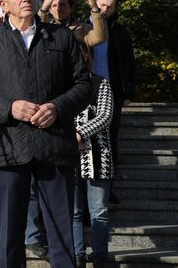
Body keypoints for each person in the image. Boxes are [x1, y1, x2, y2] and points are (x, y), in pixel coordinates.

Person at [0, 0, 91, 268]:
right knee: (10, 234)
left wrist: (57, 107)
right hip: (8, 148)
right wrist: (9, 108)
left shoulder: (60, 36)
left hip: (54, 144)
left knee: (62, 231)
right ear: (3, 3)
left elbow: (83, 85)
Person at [93, 0, 136, 197]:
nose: (105, 9)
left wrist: (128, 91)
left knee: (110, 141)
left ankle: (108, 188)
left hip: (113, 92)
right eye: (102, 5)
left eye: (109, 7)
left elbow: (129, 62)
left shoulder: (121, 32)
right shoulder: (84, 28)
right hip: (87, 91)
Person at [73, 75, 114, 268]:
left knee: (99, 211)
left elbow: (105, 116)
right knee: (73, 212)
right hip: (69, 156)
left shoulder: (101, 83)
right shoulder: (62, 81)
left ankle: (100, 258)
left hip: (98, 155)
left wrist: (80, 133)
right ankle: (77, 257)